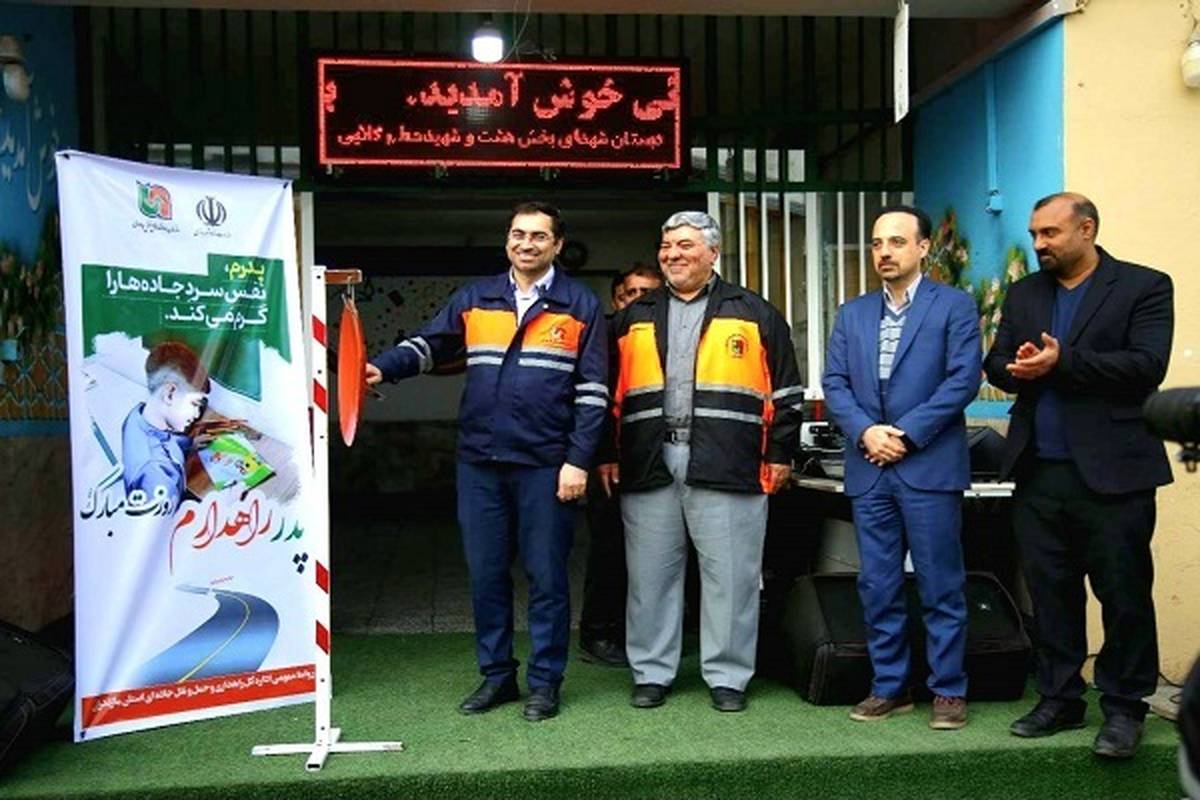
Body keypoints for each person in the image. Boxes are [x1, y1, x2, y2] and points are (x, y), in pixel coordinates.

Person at [366, 201, 607, 722]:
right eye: (518, 234)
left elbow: (593, 393)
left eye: (538, 236)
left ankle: (544, 683)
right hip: (480, 462)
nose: (526, 244)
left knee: (547, 579)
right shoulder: (477, 297)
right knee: (486, 575)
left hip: (546, 464)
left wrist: (578, 461)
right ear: (507, 241)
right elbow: (429, 345)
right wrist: (381, 368)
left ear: (557, 245)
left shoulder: (580, 304)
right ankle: (497, 676)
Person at [984, 192, 1174, 759]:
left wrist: (1061, 361)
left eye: (1050, 233)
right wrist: (1015, 366)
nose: (1039, 244)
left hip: (1115, 474)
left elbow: (1146, 366)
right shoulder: (1026, 293)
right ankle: (1060, 698)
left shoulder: (1144, 286)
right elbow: (996, 361)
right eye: (1034, 234)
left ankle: (1124, 708)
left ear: (1086, 229)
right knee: (1050, 594)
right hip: (1038, 473)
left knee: (1124, 595)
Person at [599, 211, 803, 713]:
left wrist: (780, 453)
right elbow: (603, 393)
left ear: (713, 252)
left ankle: (728, 676)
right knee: (650, 576)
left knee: (731, 577)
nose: (673, 254)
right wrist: (605, 453)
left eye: (685, 245)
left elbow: (787, 391)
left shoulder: (754, 312)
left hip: (730, 459)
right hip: (648, 458)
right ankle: (651, 671)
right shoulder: (634, 315)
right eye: (667, 246)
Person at [822, 205, 981, 730]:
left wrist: (905, 435)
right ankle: (890, 687)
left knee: (940, 584)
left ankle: (948, 690)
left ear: (923, 248)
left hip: (929, 466)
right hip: (869, 466)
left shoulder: (954, 306)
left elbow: (962, 381)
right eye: (876, 243)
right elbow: (835, 383)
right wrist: (866, 432)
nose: (884, 252)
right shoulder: (853, 313)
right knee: (878, 584)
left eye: (896, 242)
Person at [579, 265, 664, 667]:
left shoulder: (670, 333)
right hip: (611, 462)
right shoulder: (604, 336)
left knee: (655, 555)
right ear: (617, 299)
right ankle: (598, 633)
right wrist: (602, 455)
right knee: (610, 551)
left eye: (648, 293)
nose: (638, 300)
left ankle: (646, 634)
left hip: (658, 460)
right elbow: (592, 401)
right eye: (630, 293)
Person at [121, 340, 210, 513]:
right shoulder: (158, 476)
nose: (196, 414)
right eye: (194, 404)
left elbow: (162, 439)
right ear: (169, 394)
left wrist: (189, 444)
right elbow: (169, 525)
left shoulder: (137, 415)